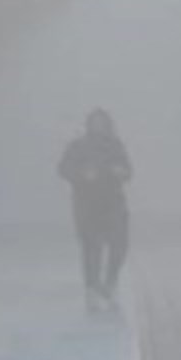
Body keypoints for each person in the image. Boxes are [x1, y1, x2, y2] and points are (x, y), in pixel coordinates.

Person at [58, 109, 132, 312]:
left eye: (102, 122)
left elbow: (128, 169)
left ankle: (110, 282)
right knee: (92, 247)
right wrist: (82, 174)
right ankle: (92, 288)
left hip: (113, 202)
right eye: (94, 122)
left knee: (119, 244)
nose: (98, 126)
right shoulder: (78, 146)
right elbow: (63, 168)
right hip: (87, 203)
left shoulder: (115, 146)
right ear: (88, 125)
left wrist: (122, 172)